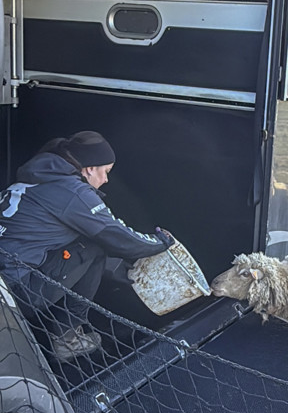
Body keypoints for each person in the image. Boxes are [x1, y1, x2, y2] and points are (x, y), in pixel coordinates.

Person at [0, 131, 174, 360]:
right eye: (106, 172)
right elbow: (121, 240)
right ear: (90, 168)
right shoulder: (74, 192)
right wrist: (162, 242)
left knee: (79, 240)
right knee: (95, 246)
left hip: (4, 283)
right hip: (16, 295)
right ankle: (67, 340)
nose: (106, 180)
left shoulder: (35, 176)